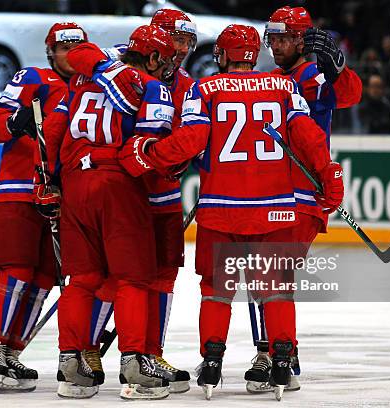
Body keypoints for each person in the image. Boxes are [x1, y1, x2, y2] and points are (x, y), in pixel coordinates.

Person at [117, 24, 344, 400]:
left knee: (216, 290)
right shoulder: (284, 87)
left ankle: (212, 362)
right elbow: (308, 136)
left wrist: (149, 156)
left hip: (221, 208)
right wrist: (329, 175)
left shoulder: (202, 89)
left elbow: (190, 141)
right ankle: (283, 360)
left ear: (222, 55)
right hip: (275, 208)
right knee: (276, 288)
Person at [66, 8, 198, 393]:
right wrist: (111, 71)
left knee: (161, 276)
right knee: (117, 277)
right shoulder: (118, 57)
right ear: (156, 39)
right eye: (174, 39)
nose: (180, 49)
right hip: (126, 190)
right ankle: (91, 352)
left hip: (162, 193)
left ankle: (149, 354)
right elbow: (78, 53)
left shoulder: (189, 84)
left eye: (187, 42)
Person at [47, 25, 177, 400]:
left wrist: (51, 179)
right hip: (117, 184)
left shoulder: (82, 81)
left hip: (74, 182)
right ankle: (136, 362)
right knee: (133, 278)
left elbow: (55, 128)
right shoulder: (152, 86)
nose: (167, 65)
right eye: (164, 58)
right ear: (151, 57)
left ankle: (72, 363)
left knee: (82, 278)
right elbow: (150, 146)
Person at [243, 6, 362, 393]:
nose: (275, 45)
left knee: (269, 273)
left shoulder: (311, 75)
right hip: (271, 191)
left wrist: (338, 67)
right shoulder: (272, 79)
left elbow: (348, 96)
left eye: (282, 38)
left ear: (300, 39)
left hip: (300, 195)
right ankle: (281, 352)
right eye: (272, 38)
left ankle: (274, 353)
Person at [0, 22, 87, 391]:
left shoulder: (90, 88)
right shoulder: (32, 78)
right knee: (16, 272)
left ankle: (11, 352)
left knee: (43, 279)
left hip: (61, 199)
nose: (71, 55)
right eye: (63, 48)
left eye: (77, 48)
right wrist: (14, 122)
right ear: (50, 52)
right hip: (19, 191)